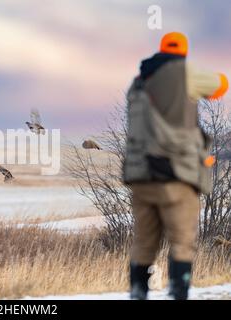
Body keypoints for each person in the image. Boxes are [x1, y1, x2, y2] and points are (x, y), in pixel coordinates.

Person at [123, 32, 228, 300]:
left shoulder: (138, 82)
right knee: (182, 241)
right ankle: (178, 294)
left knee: (144, 242)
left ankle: (137, 293)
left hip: (139, 177)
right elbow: (220, 85)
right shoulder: (184, 71)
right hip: (174, 175)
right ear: (183, 51)